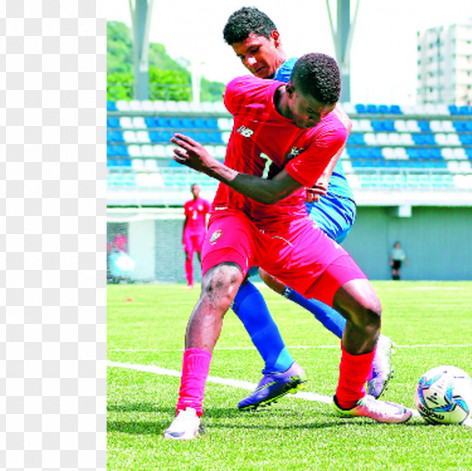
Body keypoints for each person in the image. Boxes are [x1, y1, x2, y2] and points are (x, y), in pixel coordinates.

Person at [163, 53, 411, 440]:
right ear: (289, 91)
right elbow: (246, 122)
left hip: (288, 224)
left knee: (367, 309)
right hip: (235, 215)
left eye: (325, 112)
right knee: (221, 285)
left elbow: (275, 191)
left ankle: (352, 399)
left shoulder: (330, 130)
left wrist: (212, 166)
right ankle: (188, 410)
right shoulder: (241, 93)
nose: (316, 120)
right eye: (310, 110)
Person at [220, 6, 394, 411]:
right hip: (286, 202)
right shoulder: (259, 90)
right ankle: (280, 365)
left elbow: (343, 122)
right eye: (241, 57)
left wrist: (322, 175)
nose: (250, 62)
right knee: (227, 274)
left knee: (273, 272)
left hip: (324, 198)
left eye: (254, 50)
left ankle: (369, 342)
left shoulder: (296, 72)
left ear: (275, 39)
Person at [182, 183, 211, 289]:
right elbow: (186, 220)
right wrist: (183, 235)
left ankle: (206, 280)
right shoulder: (188, 204)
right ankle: (190, 283)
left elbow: (209, 216)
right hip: (189, 232)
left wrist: (209, 232)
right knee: (188, 256)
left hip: (200, 232)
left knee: (201, 257)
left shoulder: (204, 203)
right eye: (193, 189)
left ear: (200, 190)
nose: (195, 191)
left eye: (197, 189)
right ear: (191, 191)